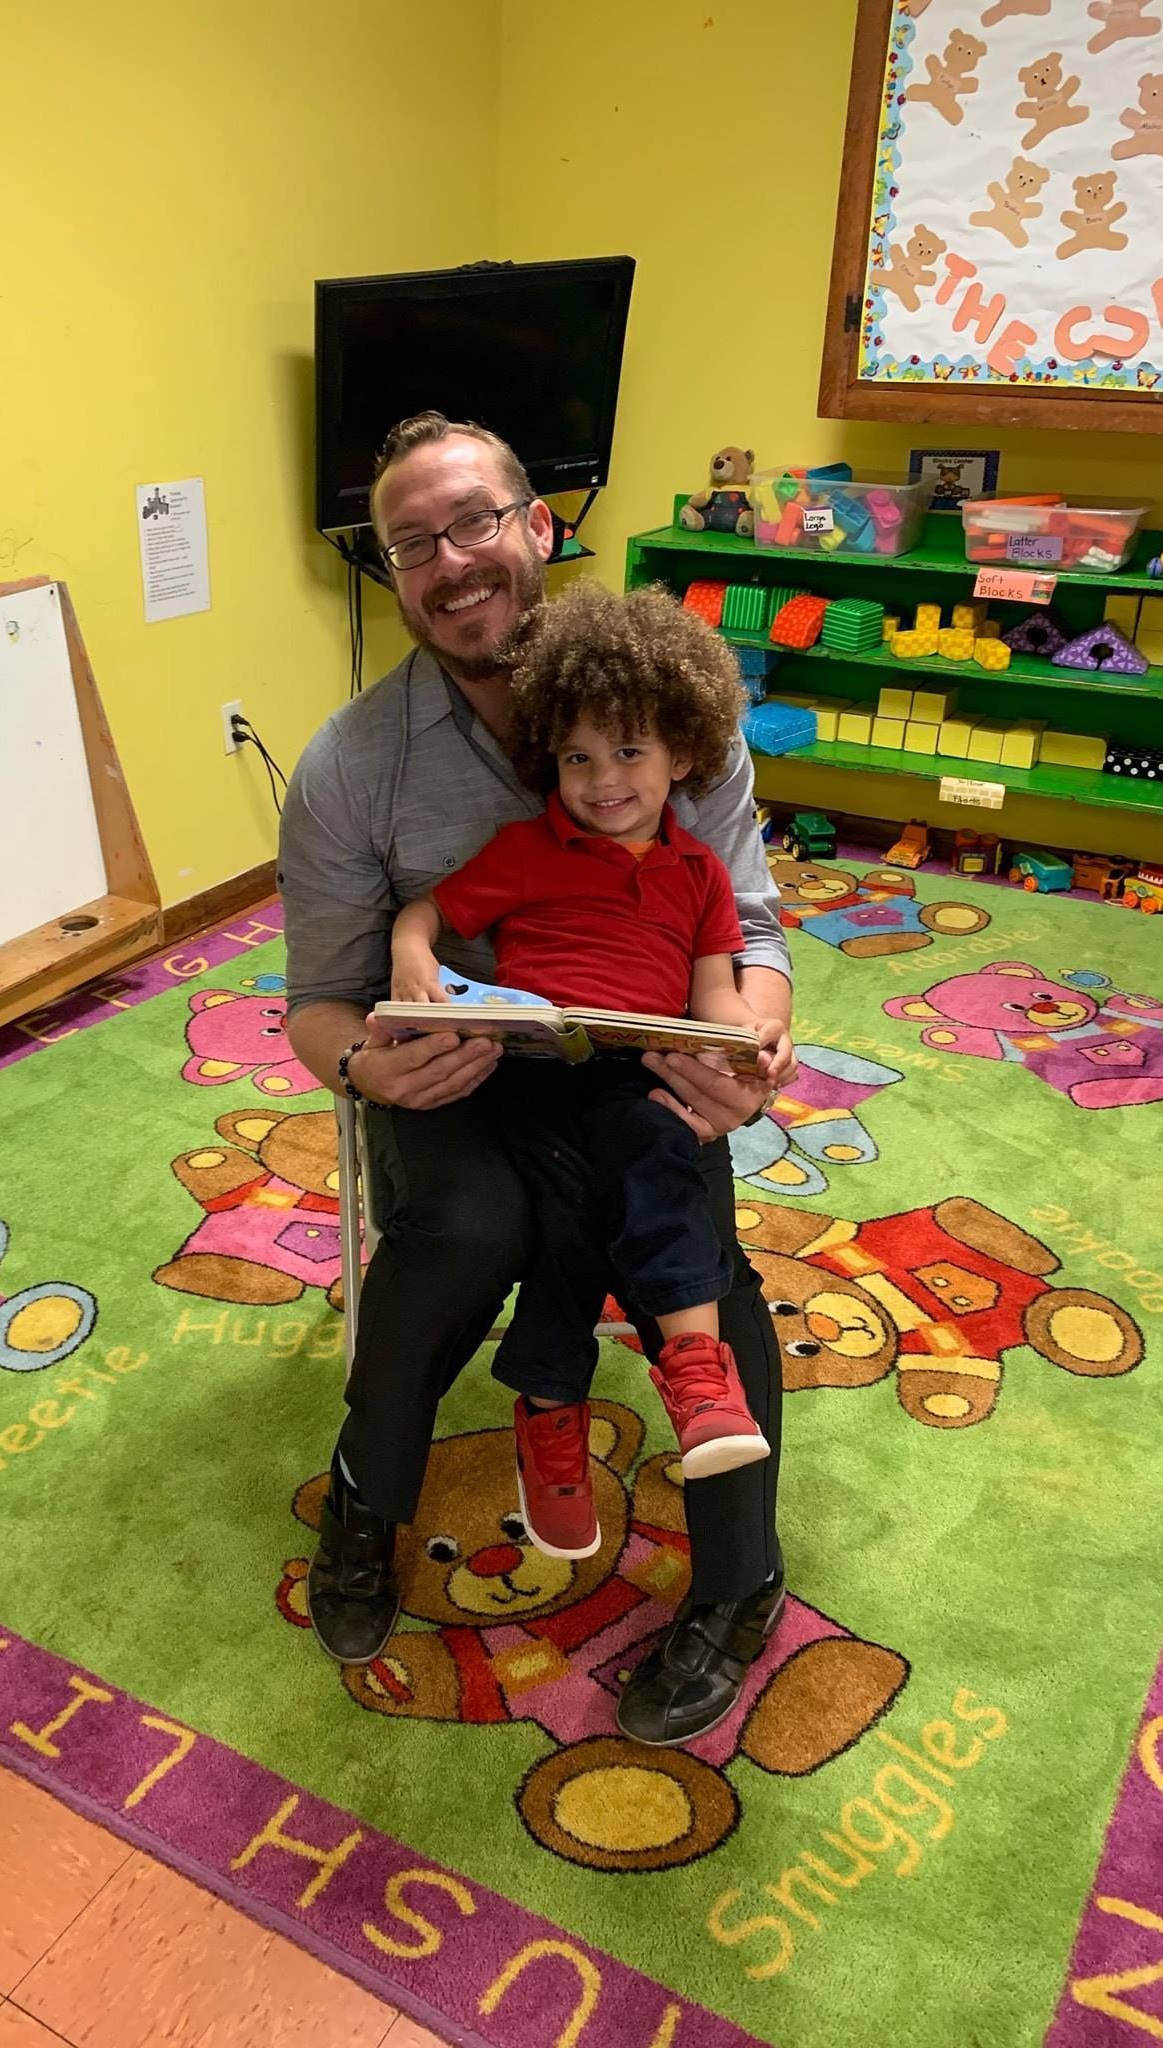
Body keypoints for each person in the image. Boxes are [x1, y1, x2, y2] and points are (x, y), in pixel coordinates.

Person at [279, 410, 798, 1746]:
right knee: (461, 1231)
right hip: (457, 1082)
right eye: (411, 543)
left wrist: (754, 1048)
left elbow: (749, 917)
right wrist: (369, 1074)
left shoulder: (677, 703)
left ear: (537, 528)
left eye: (473, 523)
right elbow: (318, 1002)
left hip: (640, 1063)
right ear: (391, 576)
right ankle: (365, 1491)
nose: (449, 562)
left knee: (694, 1248)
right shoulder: (351, 765)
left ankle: (741, 1582)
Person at [386, 579, 774, 1567]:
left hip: (630, 1070)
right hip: (529, 1068)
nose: (603, 779)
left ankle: (648, 1381)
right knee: (572, 1185)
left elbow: (718, 995)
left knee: (645, 1151)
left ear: (683, 750)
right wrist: (412, 951)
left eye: (631, 750)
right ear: (549, 756)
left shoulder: (700, 875)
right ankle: (606, 1392)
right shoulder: (526, 848)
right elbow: (430, 914)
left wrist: (747, 1048)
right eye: (577, 756)